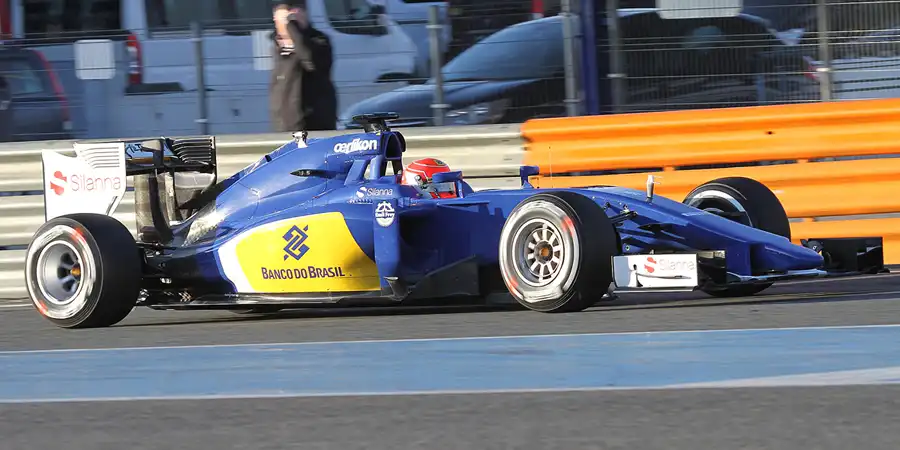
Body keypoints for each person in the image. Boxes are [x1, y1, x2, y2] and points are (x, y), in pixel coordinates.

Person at [269, 0, 338, 132]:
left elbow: (311, 61)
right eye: (280, 21)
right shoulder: (276, 46)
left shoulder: (319, 41)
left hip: (314, 122)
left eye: (290, 20)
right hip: (285, 123)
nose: (284, 26)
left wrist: (293, 29)